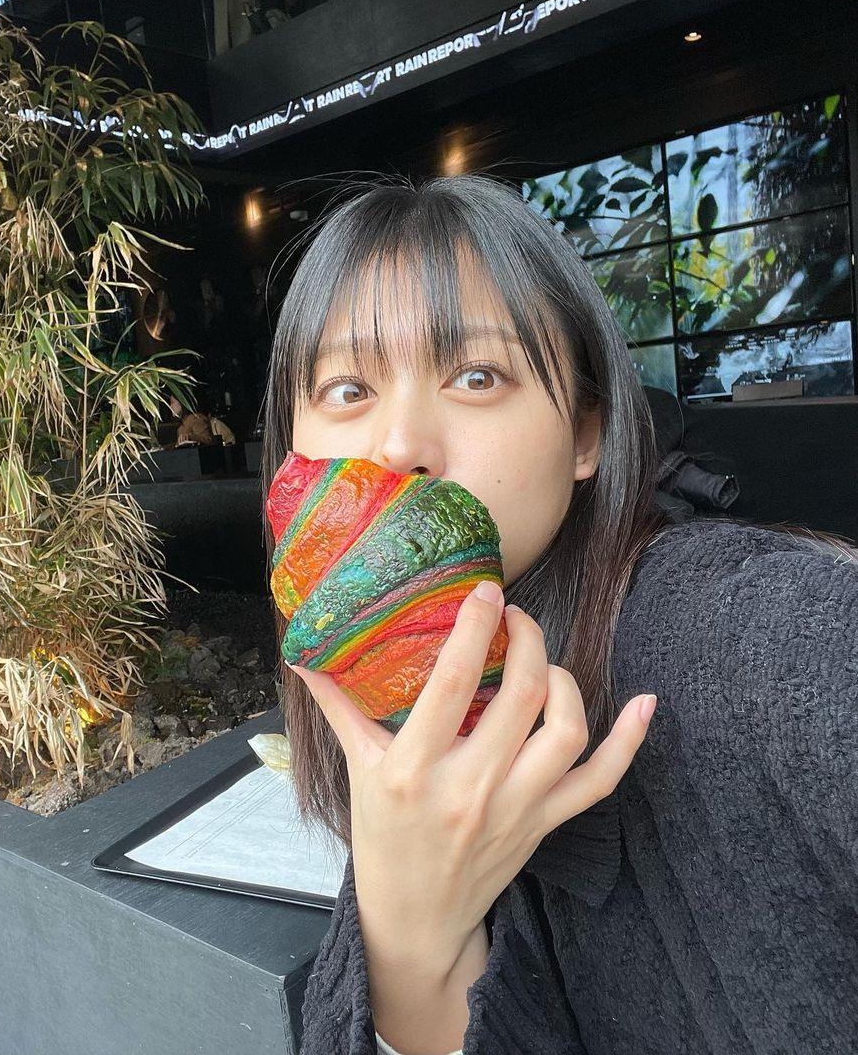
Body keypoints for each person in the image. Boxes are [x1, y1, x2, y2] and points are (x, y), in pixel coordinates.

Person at [258, 173, 858, 1054]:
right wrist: (412, 945)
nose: (399, 445)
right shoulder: (385, 686)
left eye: (476, 375)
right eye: (348, 390)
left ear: (586, 435)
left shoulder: (756, 632)